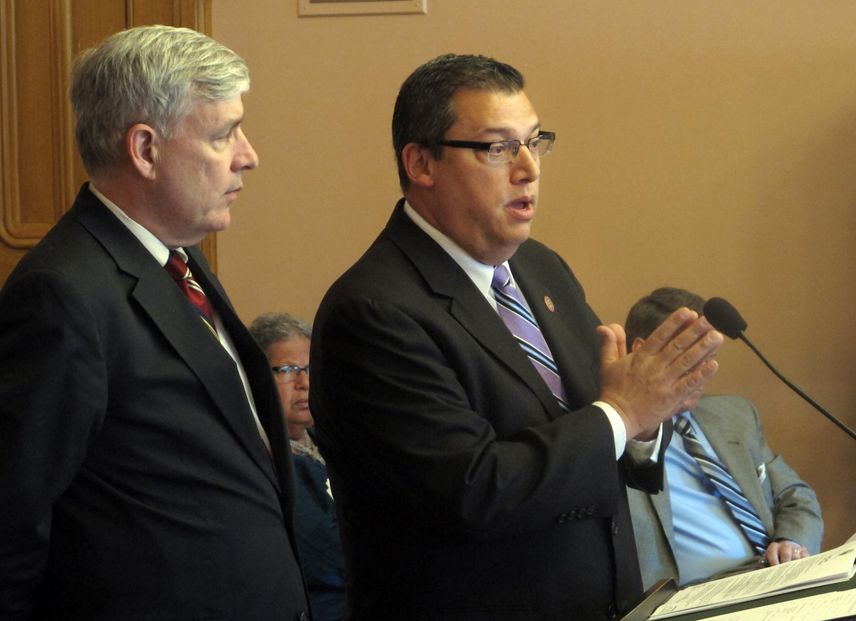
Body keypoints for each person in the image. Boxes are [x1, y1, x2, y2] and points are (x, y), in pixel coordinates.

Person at [309, 53, 724, 620]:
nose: (528, 168)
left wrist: (646, 422)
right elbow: (473, 493)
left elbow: (602, 444)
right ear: (421, 162)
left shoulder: (540, 269)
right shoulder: (375, 312)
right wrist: (622, 414)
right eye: (497, 148)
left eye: (534, 142)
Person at [0, 26, 309, 620]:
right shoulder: (61, 295)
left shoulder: (176, 256)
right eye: (223, 134)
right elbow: (11, 521)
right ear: (145, 150)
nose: (249, 155)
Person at [624, 287, 823, 588]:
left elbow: (796, 495)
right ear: (641, 351)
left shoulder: (736, 415)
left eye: (710, 357)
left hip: (779, 579)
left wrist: (791, 541)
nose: (705, 372)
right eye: (691, 357)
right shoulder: (614, 439)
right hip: (699, 599)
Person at [250, 313, 346, 621]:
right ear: (256, 377)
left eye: (309, 369)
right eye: (289, 370)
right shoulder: (264, 457)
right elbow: (328, 559)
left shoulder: (334, 440)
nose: (305, 383)